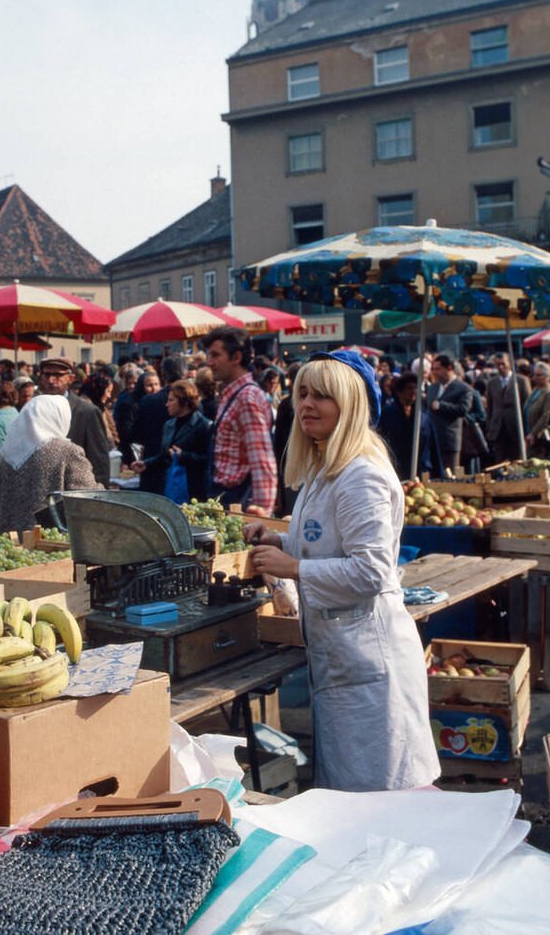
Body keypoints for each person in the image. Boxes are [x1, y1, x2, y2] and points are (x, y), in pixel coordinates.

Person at [242, 351, 439, 791]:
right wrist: (281, 541)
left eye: (322, 396)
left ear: (350, 405)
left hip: (368, 660)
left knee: (381, 794)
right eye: (303, 393)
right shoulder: (326, 468)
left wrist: (292, 567)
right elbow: (326, 543)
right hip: (343, 656)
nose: (307, 405)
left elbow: (370, 571)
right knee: (356, 792)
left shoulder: (360, 476)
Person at [0, 395, 98, 533]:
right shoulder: (69, 452)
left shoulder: (5, 457)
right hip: (51, 548)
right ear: (60, 418)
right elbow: (88, 501)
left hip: (8, 548)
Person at [201, 327, 277, 515]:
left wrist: (261, 515)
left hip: (239, 501)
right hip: (227, 497)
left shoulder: (246, 398)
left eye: (216, 355)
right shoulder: (233, 393)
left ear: (236, 358)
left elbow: (262, 462)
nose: (209, 363)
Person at [131, 379, 211, 501]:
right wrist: (146, 463)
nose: (167, 404)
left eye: (171, 400)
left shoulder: (204, 426)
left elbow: (209, 460)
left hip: (194, 491)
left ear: (184, 402)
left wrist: (184, 456)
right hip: (171, 487)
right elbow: (166, 455)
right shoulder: (169, 425)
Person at [35, 357, 111, 485]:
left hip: (75, 491)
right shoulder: (34, 409)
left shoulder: (87, 412)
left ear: (70, 378)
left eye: (58, 375)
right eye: (47, 374)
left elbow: (99, 461)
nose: (51, 380)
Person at [135, 357, 186, 494]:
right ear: (184, 373)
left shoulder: (149, 401)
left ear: (162, 375)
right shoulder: (194, 403)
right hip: (180, 469)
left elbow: (137, 434)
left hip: (155, 465)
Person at [426, 354, 473, 476]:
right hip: (432, 439)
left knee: (450, 475)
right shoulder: (433, 387)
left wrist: (441, 405)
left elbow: (463, 409)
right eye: (433, 369)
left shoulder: (463, 388)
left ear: (449, 368)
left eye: (438, 369)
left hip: (449, 440)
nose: (434, 372)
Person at [485, 353, 531, 463]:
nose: (500, 367)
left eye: (503, 364)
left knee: (517, 460)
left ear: (510, 364)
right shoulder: (492, 383)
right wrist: (489, 427)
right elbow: (490, 408)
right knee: (500, 461)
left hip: (516, 428)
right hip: (498, 429)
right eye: (497, 365)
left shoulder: (521, 381)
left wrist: (527, 429)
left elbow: (527, 406)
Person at [376, 371, 421, 481]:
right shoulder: (387, 415)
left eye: (416, 388)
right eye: (410, 388)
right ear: (400, 392)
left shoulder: (422, 416)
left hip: (419, 469)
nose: (413, 392)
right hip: (395, 467)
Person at [524, 361, 550, 455]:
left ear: (547, 377)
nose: (535, 378)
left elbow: (546, 415)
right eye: (534, 374)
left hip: (539, 437)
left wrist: (533, 433)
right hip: (528, 433)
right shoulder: (536, 389)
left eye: (539, 375)